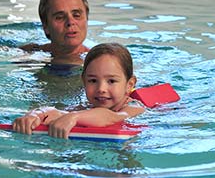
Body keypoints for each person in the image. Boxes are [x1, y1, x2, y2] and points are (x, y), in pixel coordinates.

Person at [13, 43, 145, 139]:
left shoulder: (134, 107)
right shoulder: (86, 107)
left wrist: (74, 117)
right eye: (93, 81)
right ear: (84, 81)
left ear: (129, 84)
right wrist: (37, 114)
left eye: (111, 81)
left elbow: (112, 118)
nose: (101, 89)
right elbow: (58, 111)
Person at [20, 0, 91, 65]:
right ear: (46, 26)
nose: (70, 22)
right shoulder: (29, 54)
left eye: (76, 15)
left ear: (86, 19)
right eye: (60, 17)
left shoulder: (98, 62)